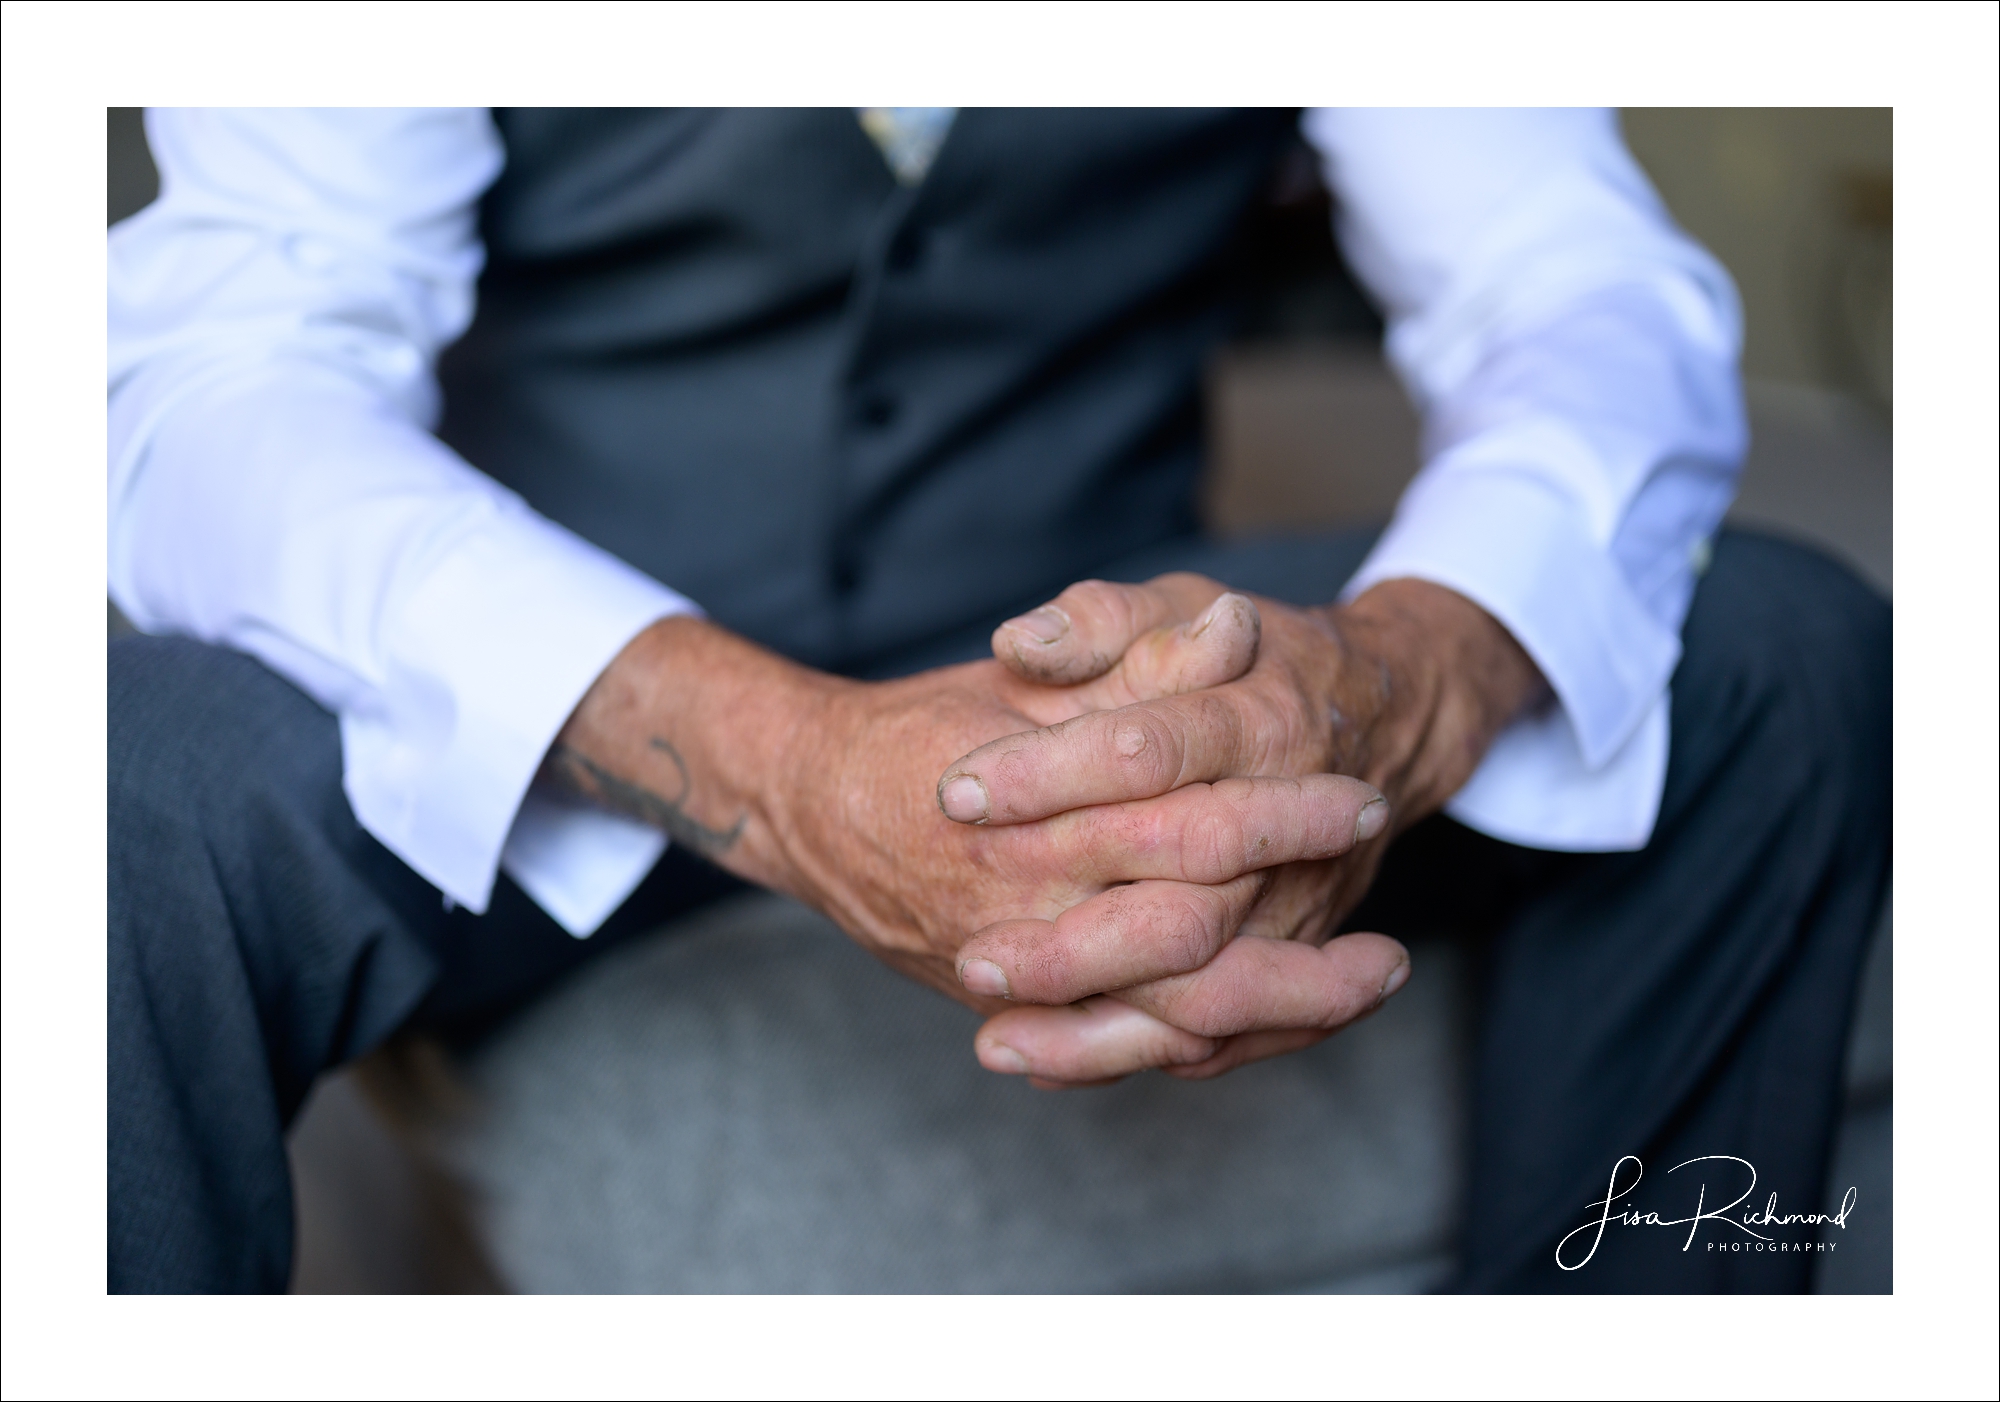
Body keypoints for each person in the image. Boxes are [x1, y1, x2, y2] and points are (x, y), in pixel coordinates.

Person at [107, 107, 1889, 1293]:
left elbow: (1572, 283)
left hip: (1066, 649)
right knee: (130, 797)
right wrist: (784, 756)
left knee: (1773, 650)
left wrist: (1407, 670)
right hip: (556, 682)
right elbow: (225, 379)